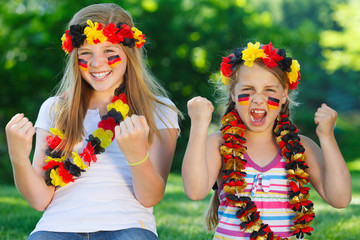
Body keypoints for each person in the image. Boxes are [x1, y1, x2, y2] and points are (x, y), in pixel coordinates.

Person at [5, 3, 180, 240]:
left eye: (110, 52)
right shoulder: (56, 109)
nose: (97, 63)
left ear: (129, 54)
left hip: (128, 225)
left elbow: (150, 197)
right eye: (86, 53)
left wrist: (137, 155)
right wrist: (18, 158)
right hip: (58, 226)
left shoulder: (157, 109)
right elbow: (39, 199)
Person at [182, 42, 351, 239]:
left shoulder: (301, 148)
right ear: (233, 94)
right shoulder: (220, 144)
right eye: (249, 89)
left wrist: (327, 137)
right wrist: (198, 125)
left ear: (284, 94)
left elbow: (340, 199)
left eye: (269, 90)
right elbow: (194, 191)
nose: (258, 99)